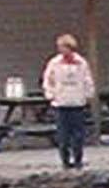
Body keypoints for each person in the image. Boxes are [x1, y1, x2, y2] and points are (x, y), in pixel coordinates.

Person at [41, 33, 95, 170]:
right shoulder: (54, 63)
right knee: (63, 136)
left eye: (64, 47)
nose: (61, 50)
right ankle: (65, 161)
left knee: (78, 135)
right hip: (61, 103)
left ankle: (78, 160)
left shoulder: (81, 63)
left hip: (77, 103)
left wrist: (88, 95)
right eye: (60, 47)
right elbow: (48, 80)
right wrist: (50, 95)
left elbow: (87, 79)